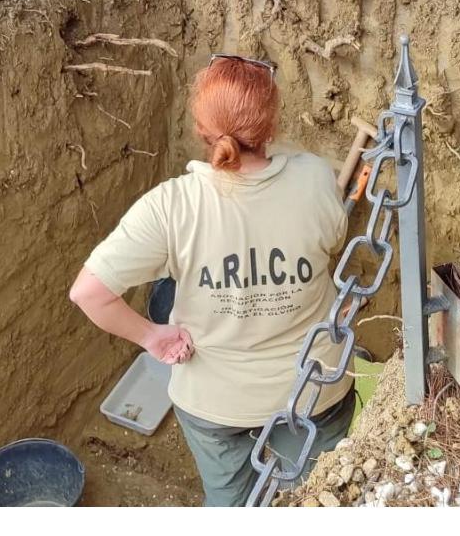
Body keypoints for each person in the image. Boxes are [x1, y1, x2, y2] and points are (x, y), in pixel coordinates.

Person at [68, 55, 353, 507]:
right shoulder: (316, 178)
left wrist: (153, 338)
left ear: (202, 132)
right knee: (317, 498)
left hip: (214, 404)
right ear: (272, 124)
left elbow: (88, 293)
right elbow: (333, 243)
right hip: (314, 391)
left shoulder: (170, 206)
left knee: (228, 502)